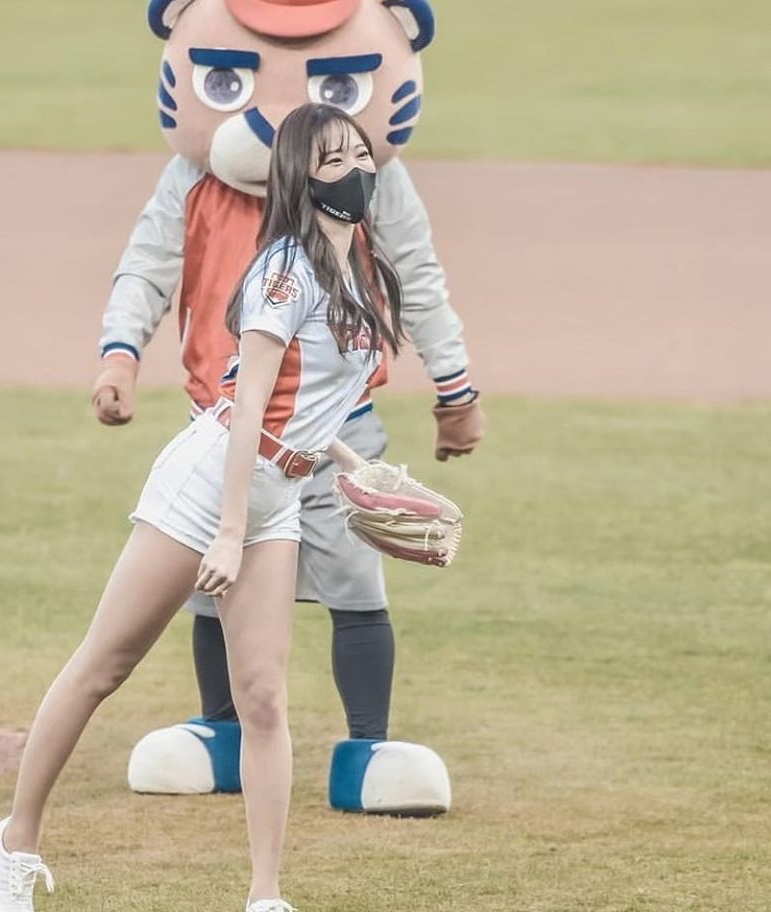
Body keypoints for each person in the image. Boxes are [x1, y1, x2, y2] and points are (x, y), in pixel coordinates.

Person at [0, 102, 406, 912]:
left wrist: (357, 469)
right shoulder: (285, 268)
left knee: (266, 699)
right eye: (333, 158)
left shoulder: (359, 266)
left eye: (360, 152)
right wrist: (230, 530)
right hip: (212, 482)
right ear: (299, 173)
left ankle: (264, 906)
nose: (355, 167)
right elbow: (247, 405)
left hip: (278, 491)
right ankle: (11, 845)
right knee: (105, 665)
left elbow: (315, 404)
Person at [95, 0, 484, 814]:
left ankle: (368, 747)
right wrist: (119, 353)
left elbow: (418, 279)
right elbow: (148, 266)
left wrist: (456, 390)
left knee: (355, 583)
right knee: (213, 586)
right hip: (221, 427)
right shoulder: (194, 181)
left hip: (336, 434)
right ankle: (221, 733)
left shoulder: (368, 184)